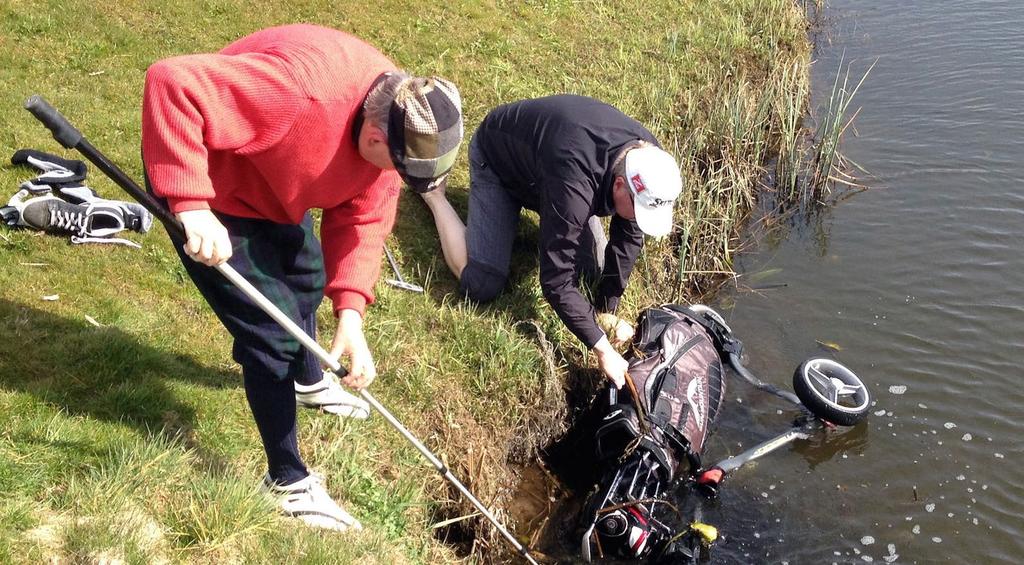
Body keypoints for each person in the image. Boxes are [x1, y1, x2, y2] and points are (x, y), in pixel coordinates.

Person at [141, 24, 463, 532]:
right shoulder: (299, 96)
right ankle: (286, 482)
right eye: (401, 169)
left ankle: (309, 381)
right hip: (213, 180)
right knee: (269, 334)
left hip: (276, 184)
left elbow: (364, 221)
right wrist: (191, 204)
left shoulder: (397, 115)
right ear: (375, 138)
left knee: (308, 280)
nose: (400, 182)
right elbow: (172, 82)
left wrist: (351, 315)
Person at [421, 94, 681, 389]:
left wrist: (606, 310)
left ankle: (553, 213)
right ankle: (433, 195)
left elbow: (628, 240)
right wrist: (602, 349)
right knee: (482, 283)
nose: (639, 219)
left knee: (591, 272)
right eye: (639, 210)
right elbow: (555, 281)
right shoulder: (575, 181)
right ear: (619, 185)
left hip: (551, 175)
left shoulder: (649, 162)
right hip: (498, 164)